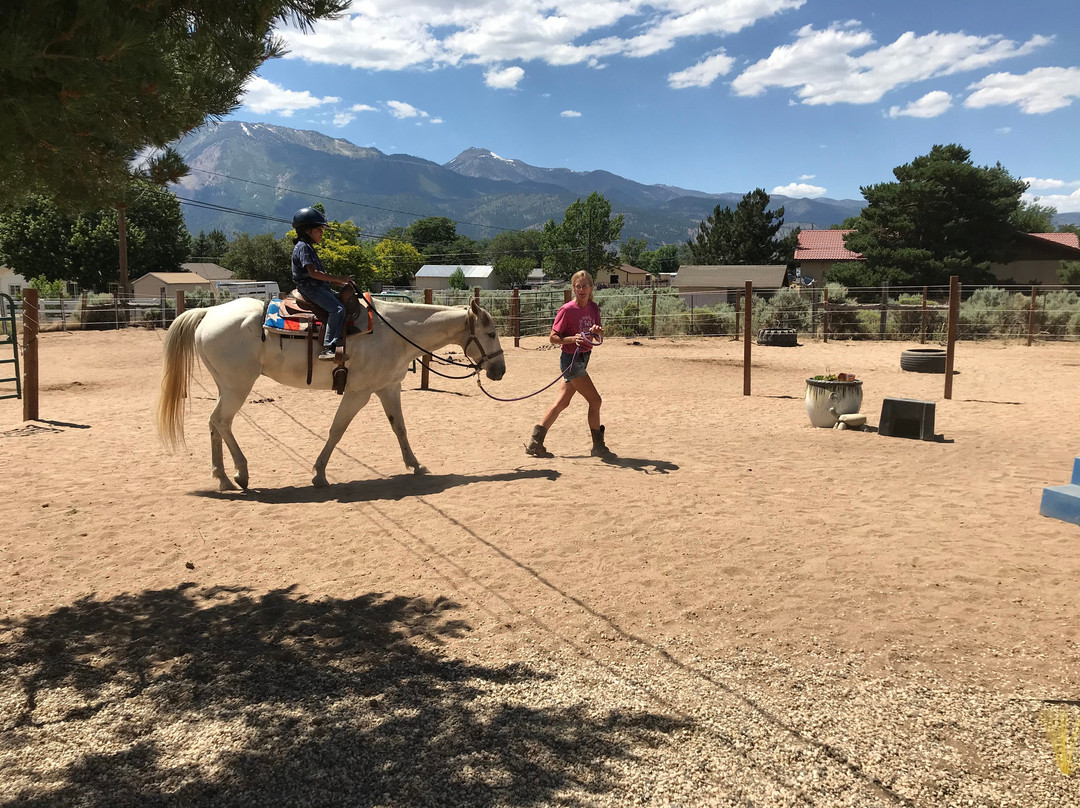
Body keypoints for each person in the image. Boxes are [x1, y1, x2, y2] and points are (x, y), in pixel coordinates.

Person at [525, 270, 613, 458]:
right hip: (571, 361)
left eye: (585, 286)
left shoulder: (593, 308)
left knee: (562, 402)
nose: (581, 290)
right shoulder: (566, 310)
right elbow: (553, 337)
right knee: (595, 400)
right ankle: (598, 447)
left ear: (591, 288)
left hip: (584, 357)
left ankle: (535, 442)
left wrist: (598, 331)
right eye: (578, 286)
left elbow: (599, 336)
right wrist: (572, 339)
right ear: (573, 288)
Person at [291, 207, 351, 360]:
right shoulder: (304, 247)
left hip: (317, 286)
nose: (322, 233)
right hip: (310, 288)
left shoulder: (307, 247)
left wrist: (337, 283)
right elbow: (313, 273)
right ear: (307, 230)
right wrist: (339, 279)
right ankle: (328, 347)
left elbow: (319, 275)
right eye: (319, 229)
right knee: (337, 310)